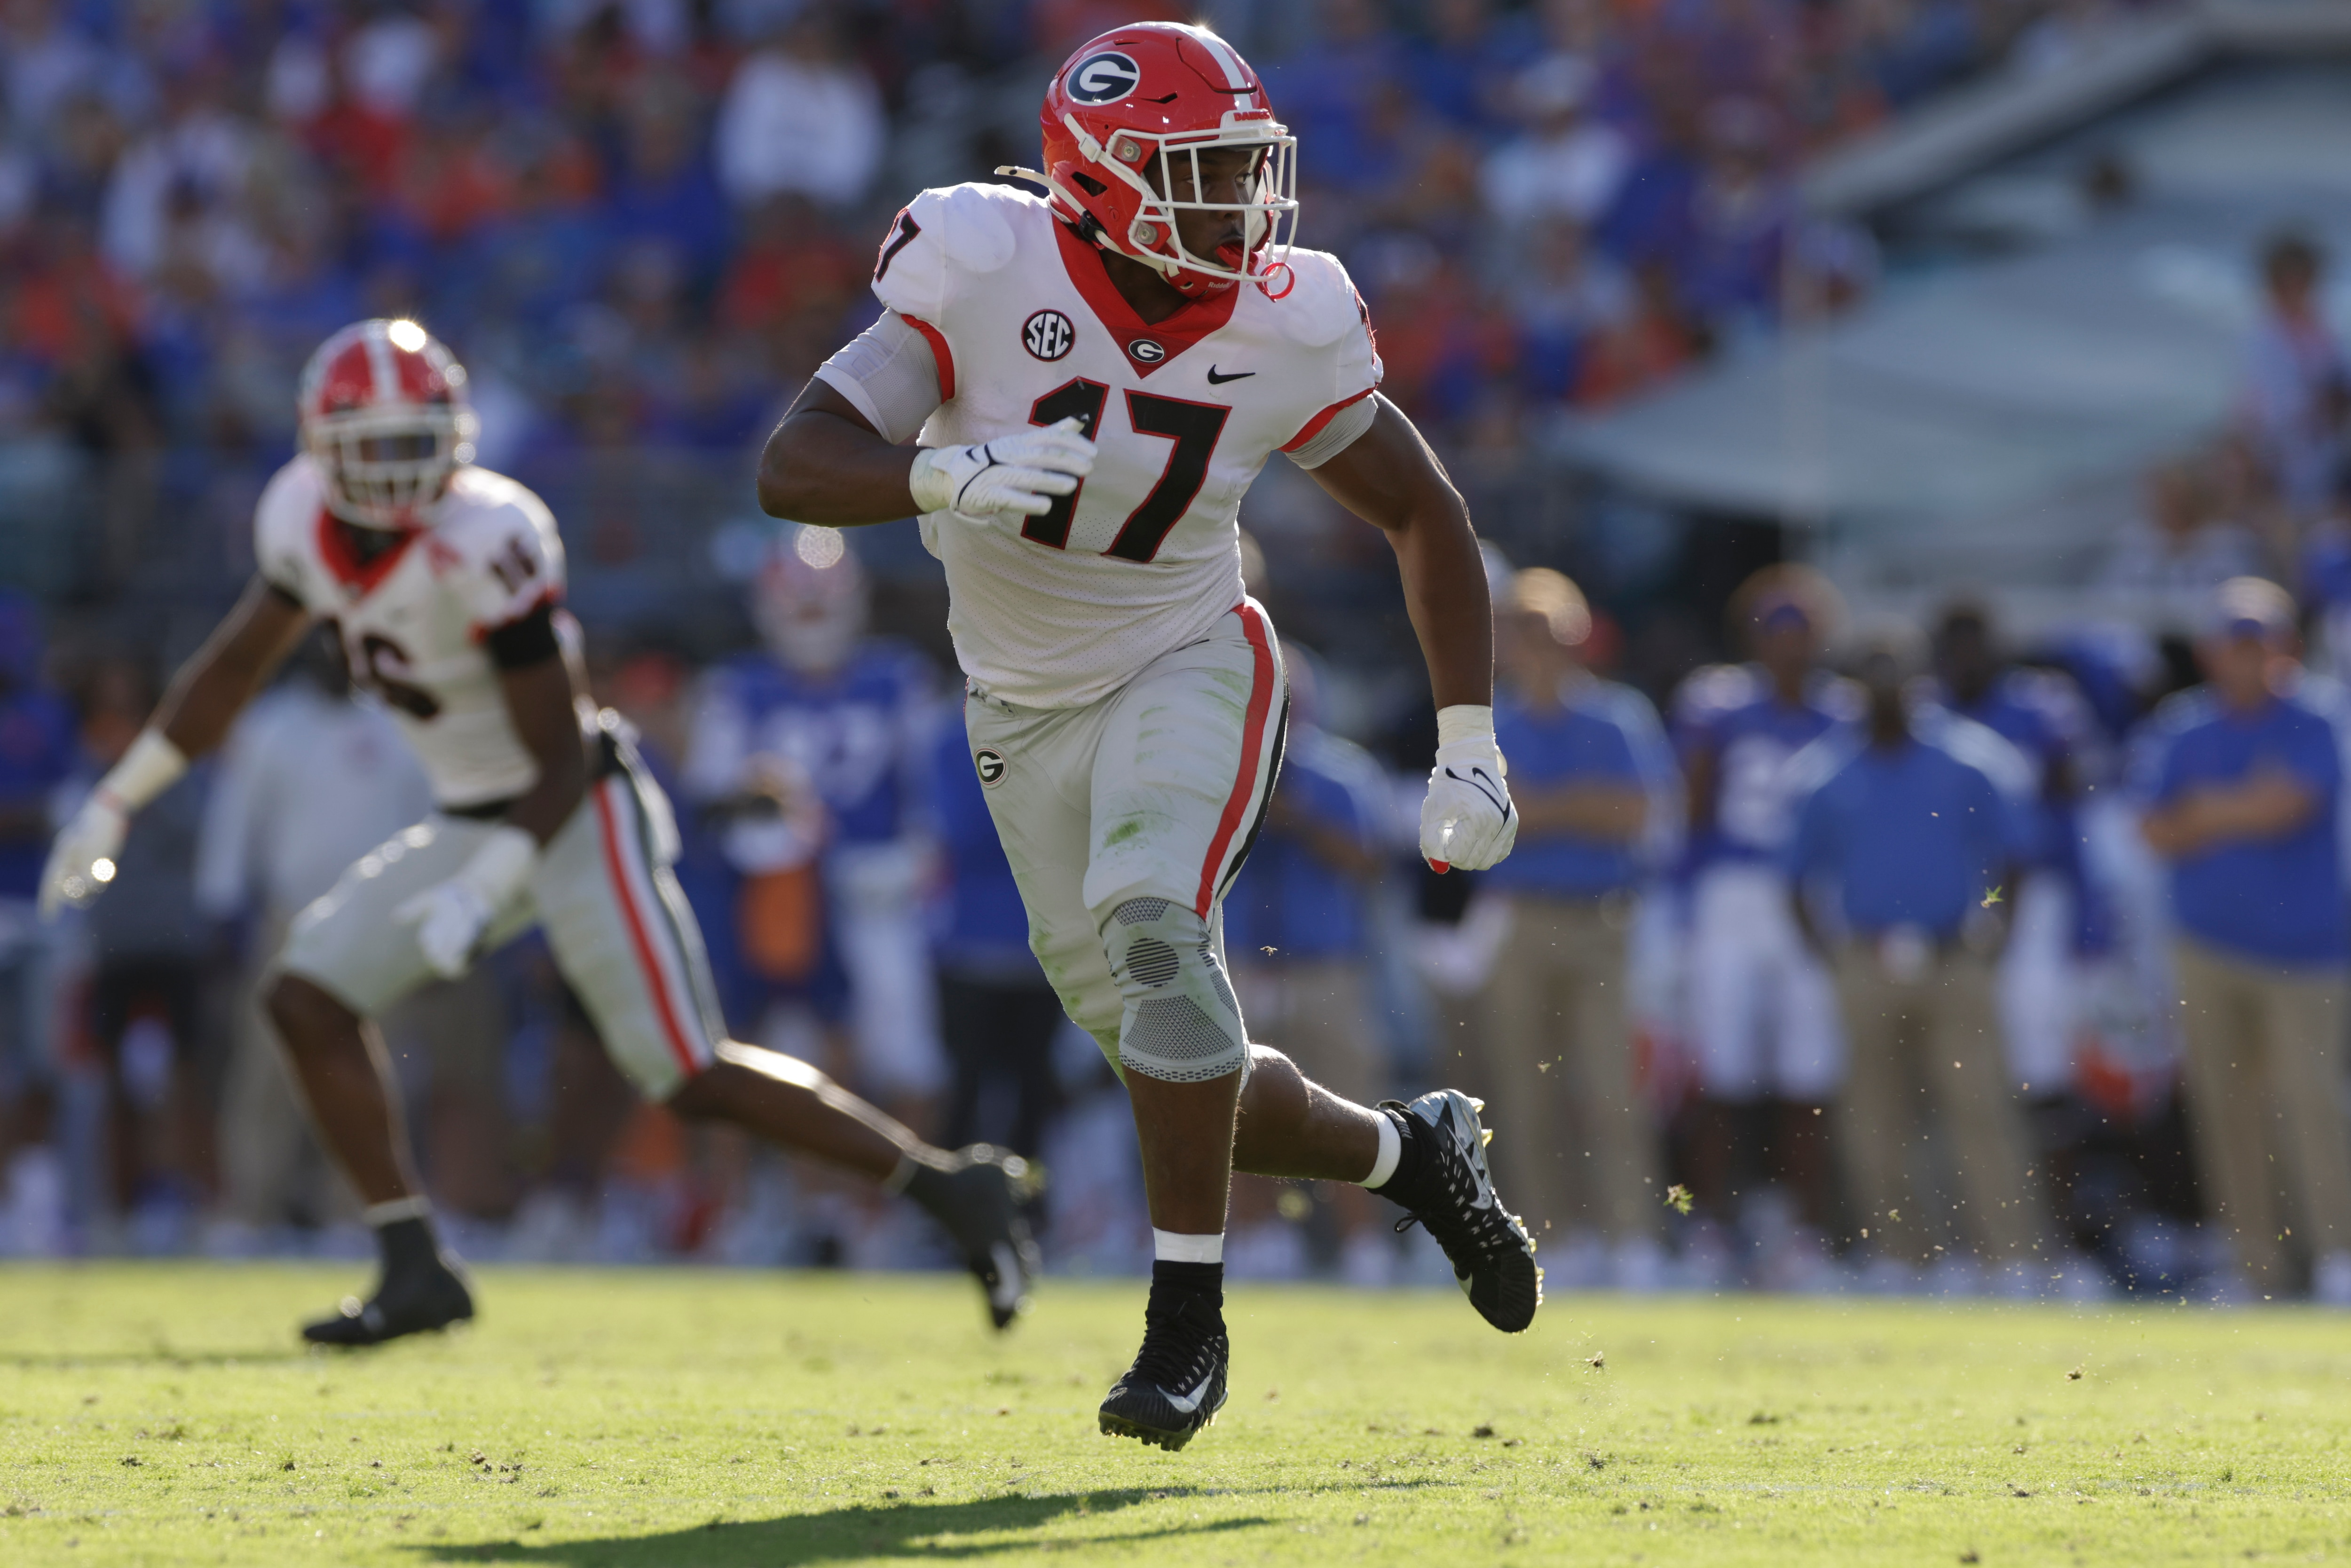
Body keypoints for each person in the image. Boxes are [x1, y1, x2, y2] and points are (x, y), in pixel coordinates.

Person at [757, 21, 1538, 1452]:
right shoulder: (986, 262)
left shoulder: (1286, 313)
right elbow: (792, 461)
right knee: (1177, 1057)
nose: (1242, 204)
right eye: (1204, 172)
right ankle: (1409, 1152)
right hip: (1015, 707)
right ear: (1100, 181)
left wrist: (1468, 735)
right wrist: (945, 471)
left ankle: (1185, 1322)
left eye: (1248, 167)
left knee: (1156, 935)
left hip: (1190, 659)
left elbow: (1420, 507)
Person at [39, 317, 1037, 1344]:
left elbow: (559, 753)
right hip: (473, 814)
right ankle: (413, 1261)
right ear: (319, 444)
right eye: (368, 446)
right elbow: (234, 666)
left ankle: (950, 1188)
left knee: (686, 1068)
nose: (391, 472)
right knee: (304, 997)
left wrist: (484, 886)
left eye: (410, 441)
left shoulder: (489, 535)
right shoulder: (298, 517)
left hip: (575, 809)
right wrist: (119, 796)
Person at [1787, 637, 2051, 1293]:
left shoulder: (1969, 760)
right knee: (1875, 1115)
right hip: (1865, 955)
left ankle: (2009, 1255)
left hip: (1954, 953)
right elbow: (1796, 876)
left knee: (1979, 1108)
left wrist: (1994, 928)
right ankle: (1901, 1256)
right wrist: (1831, 953)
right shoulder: (1827, 770)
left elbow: (2009, 860)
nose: (1886, 697)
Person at [2133, 577, 2351, 1303]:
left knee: (2312, 1105)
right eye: (2234, 644)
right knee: (2227, 1111)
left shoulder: (2316, 716)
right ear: (2210, 652)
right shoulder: (2183, 725)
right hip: (2209, 944)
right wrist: (2239, 806)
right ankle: (2258, 1265)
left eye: (2259, 642)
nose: (2247, 658)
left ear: (2285, 646)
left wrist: (2206, 811)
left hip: (2308, 951)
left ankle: (2337, 1257)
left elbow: (2289, 805)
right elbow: (2155, 829)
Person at [683, 528, 945, 1128]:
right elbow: (710, 803)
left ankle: (896, 1200)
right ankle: (800, 1204)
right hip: (781, 895)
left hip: (877, 890)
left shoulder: (897, 678)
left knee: (901, 1044)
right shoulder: (735, 688)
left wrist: (918, 859)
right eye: (799, 602)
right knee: (787, 1056)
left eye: (822, 600)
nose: (811, 616)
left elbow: (934, 796)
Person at [1473, 568, 1677, 1288]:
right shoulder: (1492, 721)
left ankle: (1631, 1237)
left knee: (1611, 1085)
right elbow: (1489, 820)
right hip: (1523, 919)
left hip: (1599, 922)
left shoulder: (1618, 716)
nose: (1538, 646)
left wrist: (1542, 808)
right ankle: (1547, 1234)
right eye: (1524, 631)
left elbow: (1632, 813)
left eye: (1550, 630)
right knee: (1527, 1091)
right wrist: (1576, 806)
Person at [1671, 566, 1853, 1280]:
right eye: (1776, 630)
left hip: (1809, 894)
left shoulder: (1843, 712)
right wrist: (1679, 903)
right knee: (1722, 1068)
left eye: (1801, 631)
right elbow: (1690, 806)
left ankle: (1803, 1232)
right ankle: (1708, 1226)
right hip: (1730, 891)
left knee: (1807, 1071)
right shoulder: (1717, 704)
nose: (1788, 646)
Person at [1221, 647, 1397, 1284]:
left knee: (1347, 1102)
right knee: (1234, 1105)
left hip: (1324, 967)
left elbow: (1370, 862)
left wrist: (1299, 818)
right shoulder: (1218, 768)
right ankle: (1259, 1235)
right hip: (1240, 962)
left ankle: (1363, 1243)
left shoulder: (1339, 774)